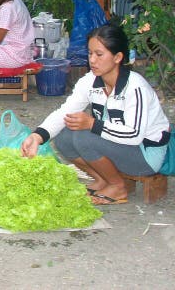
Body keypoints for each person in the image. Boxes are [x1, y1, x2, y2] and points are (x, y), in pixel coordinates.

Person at [21, 25, 170, 206]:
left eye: (99, 55)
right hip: (118, 147)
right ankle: (101, 179)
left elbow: (133, 135)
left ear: (117, 57)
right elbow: (65, 112)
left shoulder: (135, 87)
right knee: (64, 136)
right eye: (90, 53)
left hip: (144, 156)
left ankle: (117, 186)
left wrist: (93, 124)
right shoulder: (90, 81)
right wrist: (37, 136)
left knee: (84, 136)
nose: (92, 60)